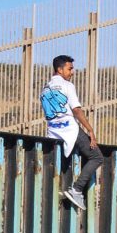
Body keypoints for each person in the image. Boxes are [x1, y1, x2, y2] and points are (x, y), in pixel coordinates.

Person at [40, 55, 101, 211]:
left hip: (53, 133)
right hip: (70, 129)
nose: (72, 72)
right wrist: (90, 130)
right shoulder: (68, 86)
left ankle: (57, 190)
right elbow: (76, 111)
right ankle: (77, 189)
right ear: (59, 69)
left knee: (61, 163)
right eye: (70, 68)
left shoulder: (45, 89)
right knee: (97, 157)